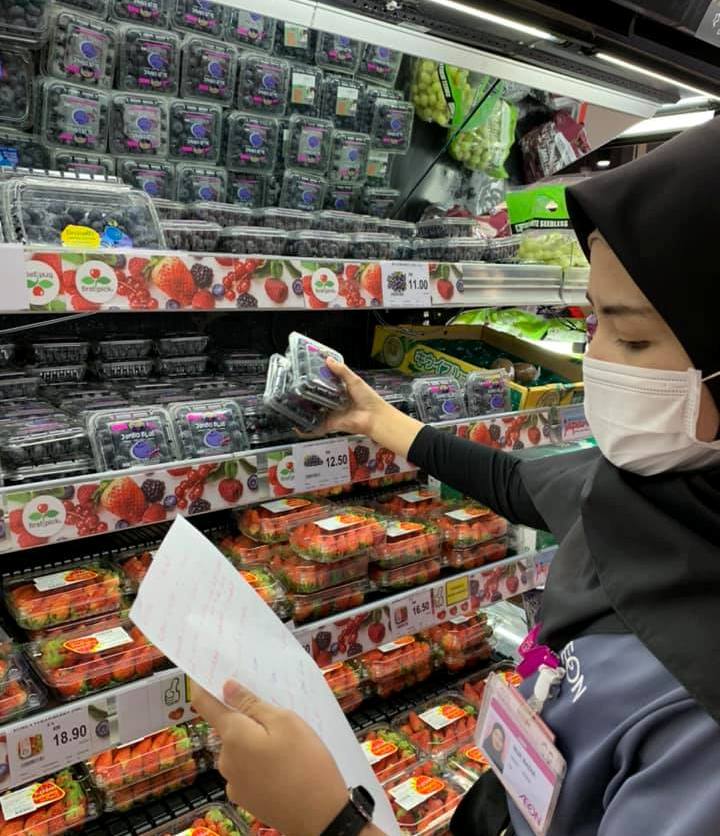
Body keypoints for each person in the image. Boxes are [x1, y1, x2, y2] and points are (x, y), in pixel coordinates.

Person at [193, 116, 720, 836]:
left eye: (630, 337)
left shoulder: (699, 728)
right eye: (590, 323)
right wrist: (380, 422)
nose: (595, 360)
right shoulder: (657, 489)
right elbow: (515, 484)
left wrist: (329, 822)